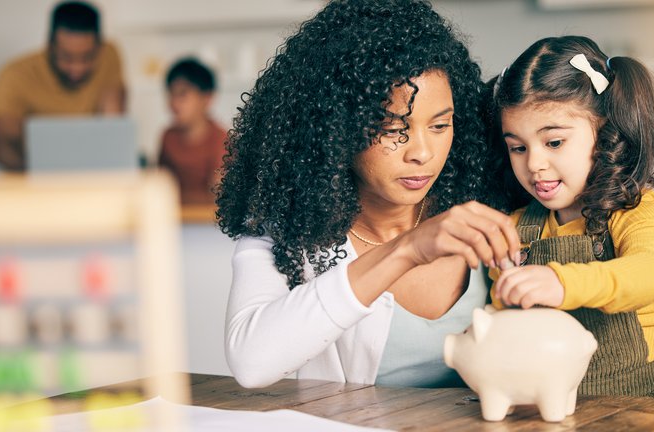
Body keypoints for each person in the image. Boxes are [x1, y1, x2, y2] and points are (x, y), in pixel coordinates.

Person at [218, 0, 520, 389]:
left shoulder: (489, 200)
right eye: (394, 129)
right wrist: (407, 250)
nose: (422, 153)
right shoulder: (289, 228)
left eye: (441, 125)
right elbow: (251, 362)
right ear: (334, 128)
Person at [486, 35, 654, 398]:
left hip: (640, 404)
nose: (533, 164)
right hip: (547, 403)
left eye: (554, 142)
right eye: (517, 147)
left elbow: (647, 275)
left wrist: (560, 283)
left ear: (604, 132)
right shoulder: (516, 226)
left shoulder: (636, 210)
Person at [0, 1, 125, 171]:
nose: (77, 68)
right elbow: (5, 149)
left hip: (92, 176)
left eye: (87, 57)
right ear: (49, 46)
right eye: (67, 58)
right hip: (35, 179)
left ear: (99, 47)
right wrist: (51, 172)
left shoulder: (109, 55)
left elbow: (112, 131)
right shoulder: (15, 75)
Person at [158, 58, 226, 206]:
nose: (174, 103)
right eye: (171, 94)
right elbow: (159, 186)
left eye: (182, 95)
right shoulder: (168, 137)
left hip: (208, 224)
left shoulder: (222, 140)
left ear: (207, 99)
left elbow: (218, 196)